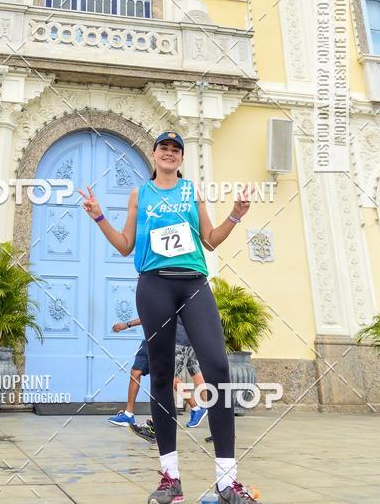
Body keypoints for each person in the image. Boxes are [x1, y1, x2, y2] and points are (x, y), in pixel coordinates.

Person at [80, 131, 263, 504]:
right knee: (161, 375)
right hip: (153, 286)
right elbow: (125, 245)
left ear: (180, 159)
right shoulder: (139, 194)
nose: (169, 153)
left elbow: (210, 240)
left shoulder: (191, 191)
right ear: (153, 154)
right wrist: (98, 216)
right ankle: (171, 480)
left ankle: (228, 482)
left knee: (217, 368)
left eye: (175, 150)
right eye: (163, 148)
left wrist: (236, 215)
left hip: (193, 283)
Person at [108, 317, 148, 426]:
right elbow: (147, 314)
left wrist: (126, 325)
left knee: (167, 379)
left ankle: (195, 407)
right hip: (148, 341)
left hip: (162, 341)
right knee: (135, 373)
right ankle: (128, 415)